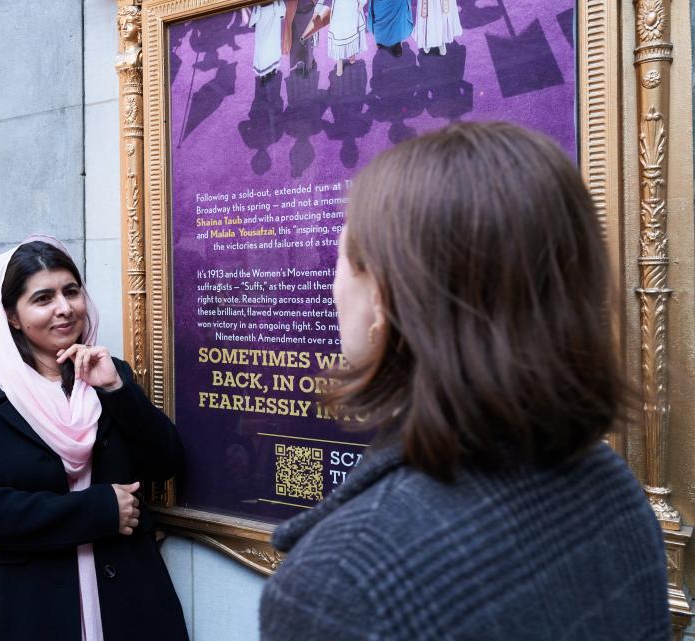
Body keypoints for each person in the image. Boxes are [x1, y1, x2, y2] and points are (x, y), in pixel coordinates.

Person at [259, 123, 670, 640]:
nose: (335, 286)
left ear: (384, 296)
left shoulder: (343, 582)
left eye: (343, 261)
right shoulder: (607, 481)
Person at [0, 236, 189, 641]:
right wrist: (99, 509)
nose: (64, 308)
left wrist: (116, 389)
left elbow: (166, 463)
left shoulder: (110, 375)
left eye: (71, 291)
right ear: (12, 316)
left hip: (130, 598)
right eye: (43, 298)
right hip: (33, 607)